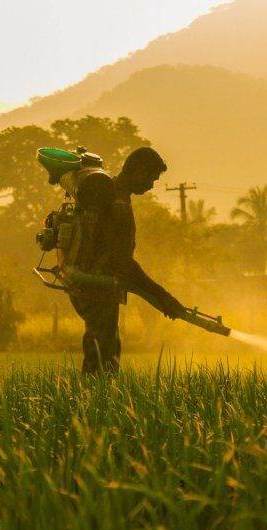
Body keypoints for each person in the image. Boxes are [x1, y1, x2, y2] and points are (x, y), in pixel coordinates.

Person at [70, 147, 184, 374]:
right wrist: (163, 296)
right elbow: (124, 264)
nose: (151, 185)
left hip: (85, 283)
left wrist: (159, 298)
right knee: (104, 357)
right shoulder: (118, 205)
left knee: (102, 349)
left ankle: (90, 401)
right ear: (139, 171)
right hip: (99, 286)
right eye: (151, 178)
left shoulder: (109, 192)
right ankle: (93, 404)